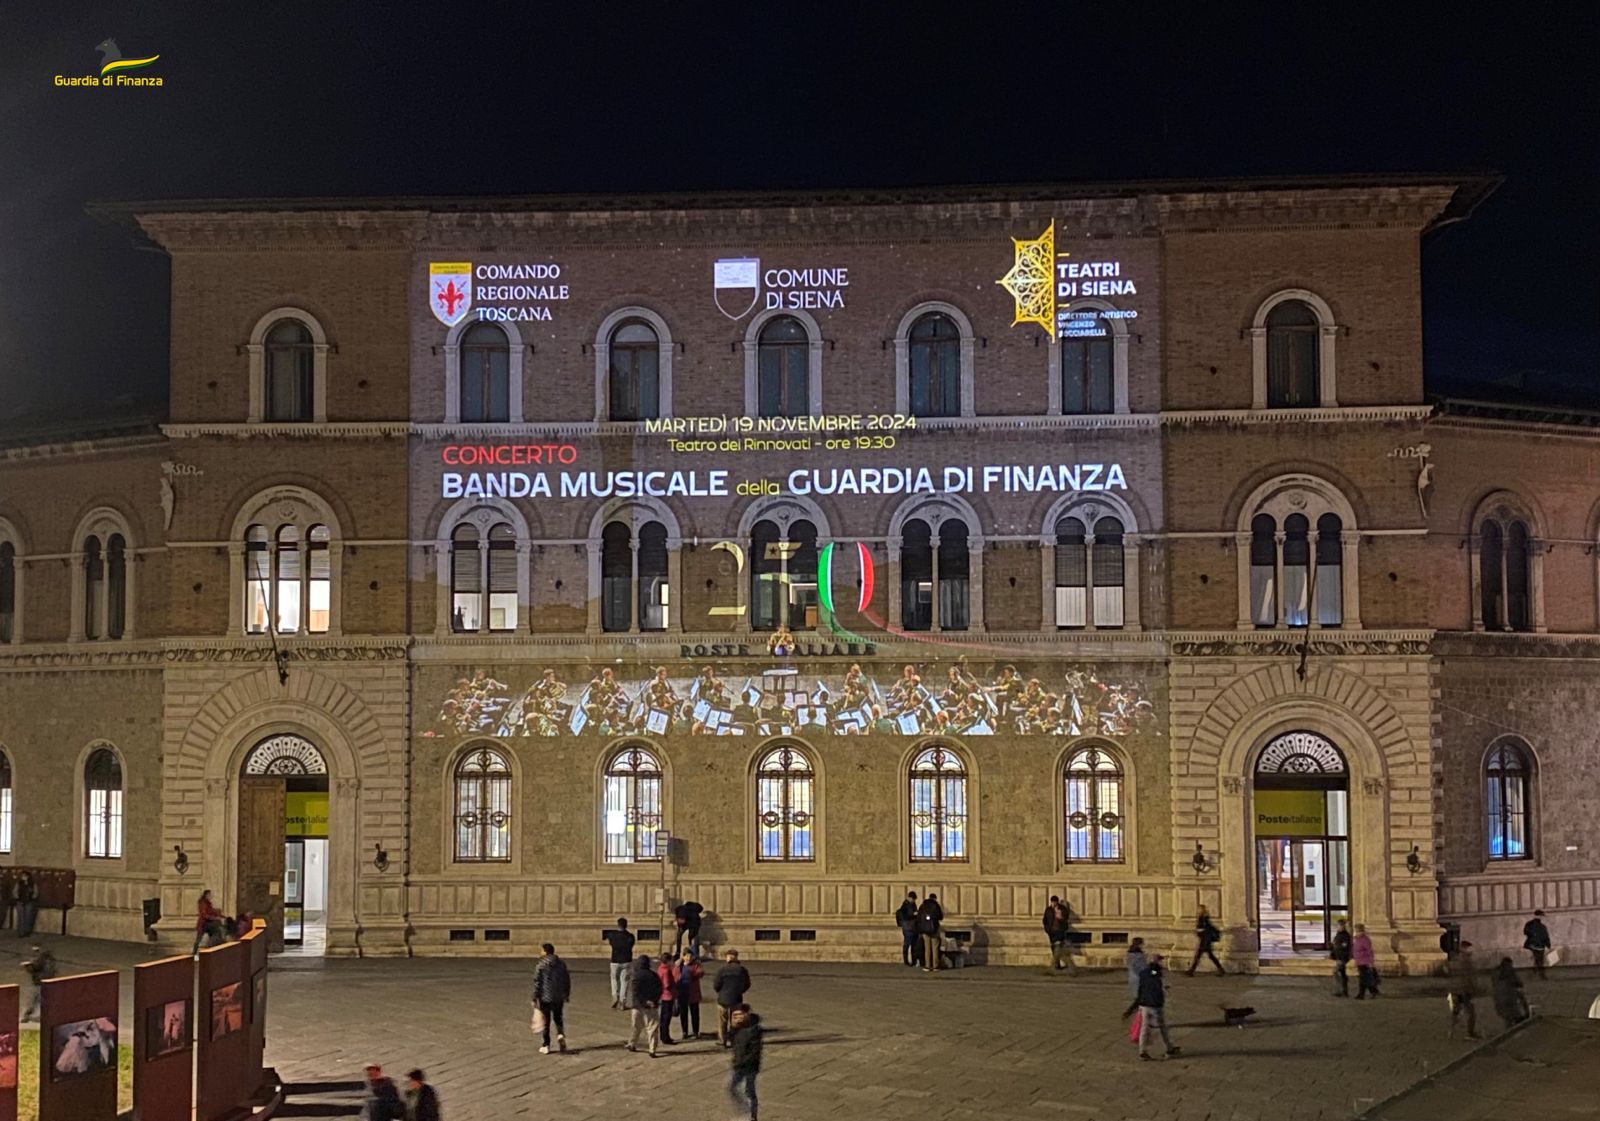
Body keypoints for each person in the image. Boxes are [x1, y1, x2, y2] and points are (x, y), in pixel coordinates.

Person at [1135, 953, 1180, 1060]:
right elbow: (1155, 975)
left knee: (1144, 1027)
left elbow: (1142, 985)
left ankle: (1142, 1051)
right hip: (1155, 1004)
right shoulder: (1155, 973)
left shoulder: (1143, 973)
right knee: (1162, 1028)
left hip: (1144, 1003)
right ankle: (1169, 1048)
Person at [531, 942, 571, 1054]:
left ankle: (546, 1045)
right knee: (558, 1019)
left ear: (545, 951)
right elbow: (567, 980)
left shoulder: (541, 965)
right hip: (558, 996)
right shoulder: (561, 964)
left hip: (545, 997)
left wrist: (534, 997)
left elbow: (537, 982)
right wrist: (566, 994)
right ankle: (560, 1035)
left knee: (546, 1021)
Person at [728, 1003, 763, 1121]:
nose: (738, 1017)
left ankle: (752, 1116)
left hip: (750, 1066)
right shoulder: (738, 1028)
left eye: (741, 1014)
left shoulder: (754, 1029)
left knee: (749, 1091)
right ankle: (746, 1110)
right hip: (738, 1064)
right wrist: (733, 1027)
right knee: (732, 1088)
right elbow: (731, 1040)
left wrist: (743, 1062)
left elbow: (754, 1051)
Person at [713, 948, 752, 1047]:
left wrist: (721, 992)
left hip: (723, 999)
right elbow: (747, 984)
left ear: (727, 957)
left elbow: (716, 984)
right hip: (736, 998)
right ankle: (733, 1040)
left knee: (723, 1021)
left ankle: (723, 1040)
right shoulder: (742, 970)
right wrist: (740, 991)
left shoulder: (722, 969)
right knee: (735, 1021)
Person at [626, 954, 662, 1057]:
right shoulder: (654, 975)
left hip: (637, 1006)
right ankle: (652, 1049)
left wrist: (643, 1001)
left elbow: (635, 991)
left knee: (636, 1026)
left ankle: (632, 1043)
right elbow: (659, 989)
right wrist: (653, 1001)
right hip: (651, 1005)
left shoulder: (636, 976)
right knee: (652, 1028)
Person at [1447, 939, 1481, 1039]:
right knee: (1470, 1012)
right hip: (1464, 990)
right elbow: (1470, 976)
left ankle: (1451, 1032)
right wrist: (1474, 988)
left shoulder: (1454, 960)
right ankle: (1470, 1033)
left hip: (1455, 989)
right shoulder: (1466, 961)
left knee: (1455, 1012)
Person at [602, 917, 635, 1009]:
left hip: (615, 960)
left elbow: (609, 941)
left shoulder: (613, 935)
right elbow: (631, 945)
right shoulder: (630, 936)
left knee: (614, 979)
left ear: (618, 925)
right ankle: (622, 1002)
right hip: (627, 960)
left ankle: (614, 996)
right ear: (626, 925)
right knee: (624, 981)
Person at [673, 948, 705, 1041]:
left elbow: (701, 973)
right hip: (682, 993)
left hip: (693, 992)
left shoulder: (696, 965)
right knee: (683, 1013)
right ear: (683, 956)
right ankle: (685, 1031)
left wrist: (691, 973)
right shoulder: (679, 965)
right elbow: (674, 976)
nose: (688, 958)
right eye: (686, 956)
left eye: (690, 956)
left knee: (695, 1013)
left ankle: (695, 1031)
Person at [1491, 957, 1529, 1031]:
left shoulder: (1495, 973)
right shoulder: (1510, 972)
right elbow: (1519, 983)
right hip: (1510, 999)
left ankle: (1509, 1031)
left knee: (1507, 1019)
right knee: (1515, 1017)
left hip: (1498, 999)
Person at [20, 942, 55, 1021]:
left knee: (35, 999)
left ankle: (27, 1016)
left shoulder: (41, 958)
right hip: (45, 981)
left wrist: (28, 966)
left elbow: (36, 967)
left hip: (40, 981)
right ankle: (29, 1015)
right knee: (38, 999)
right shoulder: (48, 958)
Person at [1186, 904, 1224, 976]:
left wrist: (1199, 930)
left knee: (1199, 955)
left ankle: (1191, 971)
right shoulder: (1204, 918)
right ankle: (1221, 969)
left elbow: (1204, 928)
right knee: (1209, 956)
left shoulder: (1203, 918)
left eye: (1199, 909)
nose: (1198, 910)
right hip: (1206, 939)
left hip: (1205, 940)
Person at [915, 892, 944, 972]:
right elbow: (940, 917)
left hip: (925, 930)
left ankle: (927, 966)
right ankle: (935, 966)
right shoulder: (936, 905)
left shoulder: (923, 906)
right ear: (935, 898)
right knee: (935, 948)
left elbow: (919, 917)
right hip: (934, 929)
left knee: (927, 948)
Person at [193, 889, 228, 954]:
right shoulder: (203, 903)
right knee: (199, 939)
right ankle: (194, 953)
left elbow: (213, 912)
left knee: (215, 933)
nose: (211, 896)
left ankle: (210, 949)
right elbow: (204, 914)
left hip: (208, 924)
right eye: (209, 895)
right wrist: (215, 918)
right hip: (203, 924)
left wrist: (222, 917)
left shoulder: (208, 903)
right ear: (206, 895)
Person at [1121, 937, 1148, 1019]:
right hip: (1140, 979)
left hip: (1134, 979)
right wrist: (1153, 972)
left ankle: (1131, 1013)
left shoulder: (1131, 954)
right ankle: (1130, 1013)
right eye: (1142, 943)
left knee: (1140, 998)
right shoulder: (1138, 955)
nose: (1143, 945)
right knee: (1141, 999)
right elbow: (1142, 968)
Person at [1352, 923, 1380, 999]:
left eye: (1358, 931)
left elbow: (1369, 951)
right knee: (1366, 979)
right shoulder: (1357, 939)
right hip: (1359, 961)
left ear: (1362, 931)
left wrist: (1371, 962)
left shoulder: (1365, 940)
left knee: (1363, 979)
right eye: (1356, 930)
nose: (1357, 932)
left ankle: (1361, 994)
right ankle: (1373, 991)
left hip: (1365, 962)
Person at [1050, 900, 1078, 974]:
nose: (1056, 913)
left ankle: (1053, 970)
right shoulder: (1058, 921)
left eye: (1058, 912)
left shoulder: (1062, 922)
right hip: (1057, 941)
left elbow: (1060, 932)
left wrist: (1058, 940)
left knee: (1062, 957)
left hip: (1058, 941)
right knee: (1062, 956)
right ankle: (1054, 969)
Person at [1522, 909, 1552, 979]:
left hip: (1533, 944)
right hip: (1539, 945)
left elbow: (1526, 932)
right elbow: (1545, 936)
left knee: (1537, 959)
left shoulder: (1529, 924)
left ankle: (1534, 973)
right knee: (1539, 960)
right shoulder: (1542, 926)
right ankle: (1541, 974)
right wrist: (1548, 944)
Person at [656, 954, 677, 1044]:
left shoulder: (660, 969)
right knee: (666, 1018)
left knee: (663, 1017)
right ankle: (665, 1037)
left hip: (662, 996)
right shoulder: (667, 971)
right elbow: (667, 984)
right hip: (668, 996)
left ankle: (663, 1036)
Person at [895, 891, 919, 967]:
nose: (913, 900)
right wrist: (913, 914)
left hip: (912, 927)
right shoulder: (905, 905)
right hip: (908, 927)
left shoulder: (912, 904)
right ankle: (906, 961)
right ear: (909, 898)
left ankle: (913, 961)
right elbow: (905, 916)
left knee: (913, 945)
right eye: (913, 899)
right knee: (907, 944)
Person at [1330, 919, 1353, 997]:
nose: (1339, 927)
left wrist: (1336, 945)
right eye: (1338, 925)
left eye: (1340, 925)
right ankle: (1344, 991)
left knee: (1335, 972)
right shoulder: (1339, 933)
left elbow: (1344, 945)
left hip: (1342, 957)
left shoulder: (1345, 935)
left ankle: (1340, 990)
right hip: (1339, 956)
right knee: (1342, 974)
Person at [13, 871, 38, 938]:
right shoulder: (19, 883)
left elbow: (35, 892)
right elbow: (15, 891)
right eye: (22, 876)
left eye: (24, 876)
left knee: (28, 917)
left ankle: (27, 931)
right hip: (20, 902)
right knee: (21, 918)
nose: (23, 877)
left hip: (29, 902)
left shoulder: (32, 884)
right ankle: (21, 932)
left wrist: (32, 898)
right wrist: (18, 898)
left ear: (28, 876)